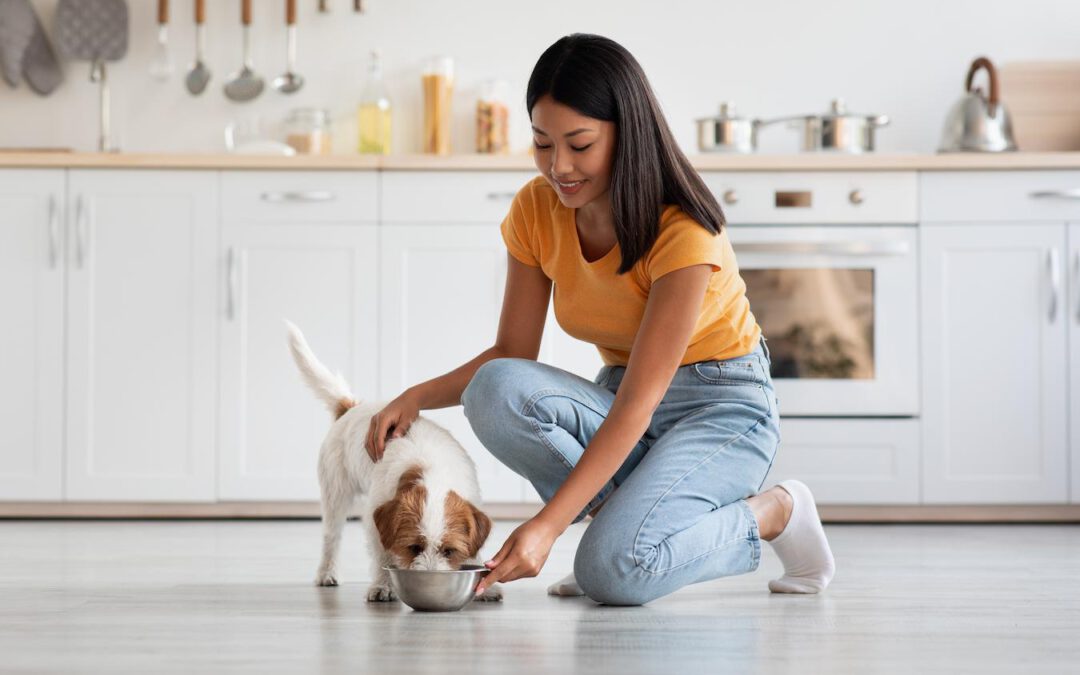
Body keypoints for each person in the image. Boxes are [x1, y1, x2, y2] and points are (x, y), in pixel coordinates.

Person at [364, 33, 835, 606]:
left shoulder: (682, 229)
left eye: (579, 145)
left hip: (720, 409)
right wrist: (415, 396)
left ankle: (774, 513)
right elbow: (511, 353)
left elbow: (641, 402)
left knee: (613, 574)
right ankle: (624, 535)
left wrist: (547, 526)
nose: (558, 167)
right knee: (495, 388)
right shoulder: (537, 210)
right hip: (620, 397)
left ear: (625, 134)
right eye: (542, 144)